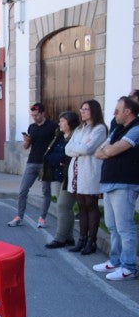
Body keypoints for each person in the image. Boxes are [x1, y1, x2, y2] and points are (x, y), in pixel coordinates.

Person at [93, 96, 139, 281]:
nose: (113, 113)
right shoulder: (118, 129)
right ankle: (115, 261)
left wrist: (108, 151)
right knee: (112, 226)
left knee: (125, 227)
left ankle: (129, 267)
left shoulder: (136, 129)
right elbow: (98, 151)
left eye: (117, 110)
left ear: (128, 111)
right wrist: (107, 150)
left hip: (125, 183)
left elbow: (110, 151)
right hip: (110, 182)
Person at [65, 100, 108, 255]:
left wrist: (78, 148)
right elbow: (67, 149)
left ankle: (92, 241)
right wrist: (80, 148)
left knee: (91, 205)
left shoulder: (99, 129)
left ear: (93, 111)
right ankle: (81, 240)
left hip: (90, 171)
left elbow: (88, 149)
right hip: (77, 171)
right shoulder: (79, 129)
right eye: (81, 109)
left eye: (86, 109)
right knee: (81, 206)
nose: (82, 112)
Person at [8, 103, 58, 227]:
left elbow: (57, 144)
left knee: (46, 191)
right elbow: (26, 147)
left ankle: (42, 218)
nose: (34, 118)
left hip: (45, 163)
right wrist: (26, 141)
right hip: (32, 161)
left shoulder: (52, 126)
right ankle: (19, 216)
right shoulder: (32, 127)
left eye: (36, 115)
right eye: (32, 115)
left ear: (42, 113)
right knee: (23, 190)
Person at [43, 111, 78, 249]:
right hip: (59, 175)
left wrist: (60, 159)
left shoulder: (75, 137)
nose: (59, 123)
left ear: (70, 122)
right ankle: (69, 237)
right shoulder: (59, 136)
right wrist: (59, 160)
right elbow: (50, 155)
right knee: (64, 207)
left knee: (63, 205)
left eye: (62, 120)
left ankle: (59, 238)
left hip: (70, 175)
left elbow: (68, 156)